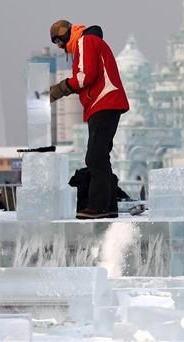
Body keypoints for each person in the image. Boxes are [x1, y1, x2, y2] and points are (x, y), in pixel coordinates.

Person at [48, 20, 129, 219]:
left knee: (95, 157)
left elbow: (85, 76)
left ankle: (98, 207)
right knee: (100, 156)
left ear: (66, 33)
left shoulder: (86, 41)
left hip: (104, 102)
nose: (59, 46)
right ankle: (108, 206)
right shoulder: (87, 42)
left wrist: (60, 89)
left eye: (58, 41)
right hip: (104, 104)